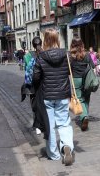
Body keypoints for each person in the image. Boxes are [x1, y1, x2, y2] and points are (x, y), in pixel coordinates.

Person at [32, 28, 74, 166]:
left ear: (45, 40)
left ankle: (54, 154)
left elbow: (36, 77)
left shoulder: (41, 57)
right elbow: (70, 71)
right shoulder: (66, 55)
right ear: (57, 39)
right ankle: (67, 146)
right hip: (63, 95)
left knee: (50, 126)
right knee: (64, 123)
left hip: (47, 96)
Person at [70, 37, 94, 131]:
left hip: (76, 79)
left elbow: (68, 69)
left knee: (79, 99)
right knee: (86, 98)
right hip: (86, 78)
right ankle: (85, 115)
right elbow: (92, 65)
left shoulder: (70, 55)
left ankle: (84, 116)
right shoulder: (87, 54)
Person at [23, 37, 43, 135]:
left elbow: (25, 70)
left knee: (34, 105)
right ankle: (43, 123)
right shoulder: (45, 54)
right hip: (43, 84)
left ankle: (37, 125)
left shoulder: (27, 56)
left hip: (32, 85)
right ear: (41, 43)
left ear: (32, 45)